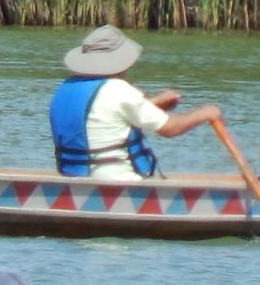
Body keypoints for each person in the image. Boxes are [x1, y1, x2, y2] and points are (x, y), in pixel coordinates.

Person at [49, 24, 222, 179]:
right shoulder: (119, 89)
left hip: (72, 178)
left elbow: (105, 115)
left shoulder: (65, 88)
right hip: (119, 182)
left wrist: (153, 104)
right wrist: (206, 113)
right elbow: (170, 128)